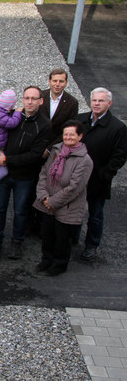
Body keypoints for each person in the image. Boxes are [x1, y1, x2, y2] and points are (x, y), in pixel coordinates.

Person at [0, 86, 51, 259]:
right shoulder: (13, 115)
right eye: (27, 98)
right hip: (4, 173)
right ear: (22, 99)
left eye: (34, 98)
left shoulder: (44, 124)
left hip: (25, 176)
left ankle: (17, 242)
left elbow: (35, 155)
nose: (30, 102)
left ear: (41, 101)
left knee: (21, 210)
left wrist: (7, 160)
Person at [33, 120, 92, 275]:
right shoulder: (56, 151)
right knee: (47, 235)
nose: (68, 137)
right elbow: (45, 173)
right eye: (65, 134)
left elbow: (75, 187)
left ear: (80, 136)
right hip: (48, 202)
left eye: (72, 134)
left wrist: (52, 202)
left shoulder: (85, 160)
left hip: (66, 206)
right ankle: (46, 260)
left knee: (62, 239)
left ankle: (59, 265)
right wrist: (44, 196)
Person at [75, 87, 127, 261]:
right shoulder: (80, 120)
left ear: (109, 103)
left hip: (98, 179)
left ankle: (91, 245)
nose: (97, 104)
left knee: (95, 215)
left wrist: (106, 173)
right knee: (74, 211)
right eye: (94, 100)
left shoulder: (118, 128)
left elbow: (119, 156)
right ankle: (72, 239)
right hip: (77, 177)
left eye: (101, 101)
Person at [39, 68, 79, 152]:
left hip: (56, 148)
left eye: (61, 81)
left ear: (66, 83)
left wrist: (50, 149)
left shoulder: (72, 103)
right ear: (49, 81)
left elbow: (69, 128)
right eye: (55, 81)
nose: (57, 84)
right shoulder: (40, 96)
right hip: (36, 143)